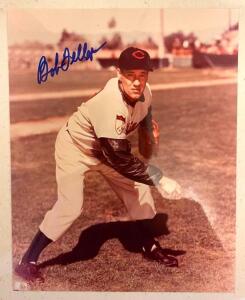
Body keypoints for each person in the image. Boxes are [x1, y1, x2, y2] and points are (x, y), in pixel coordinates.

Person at [15, 47, 182, 282]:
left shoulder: (147, 93)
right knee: (70, 206)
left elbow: (144, 135)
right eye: (130, 75)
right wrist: (159, 177)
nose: (137, 82)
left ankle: (149, 246)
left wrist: (151, 140)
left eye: (142, 75)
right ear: (118, 74)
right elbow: (120, 158)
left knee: (139, 191)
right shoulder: (109, 102)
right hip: (75, 148)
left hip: (107, 151)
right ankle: (27, 261)